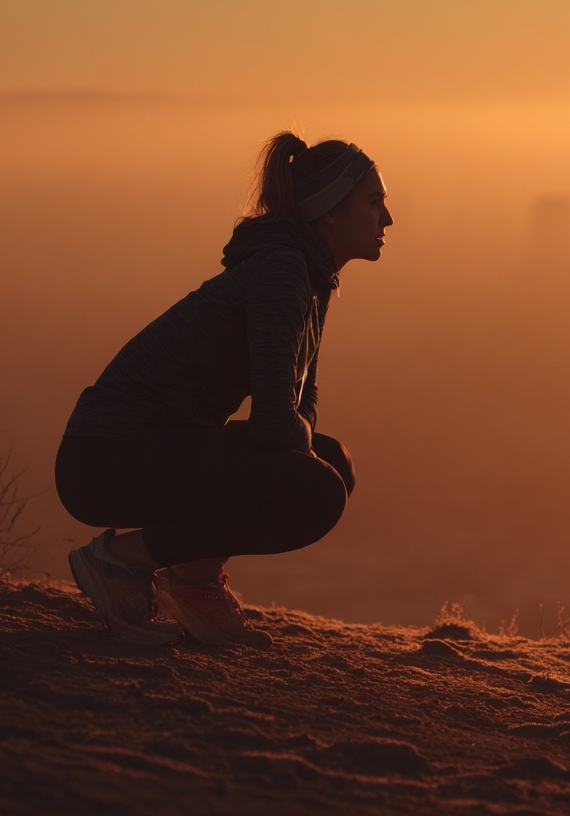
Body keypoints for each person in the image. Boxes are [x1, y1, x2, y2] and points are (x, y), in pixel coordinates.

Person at [55, 132, 392, 648]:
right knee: (317, 489)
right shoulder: (284, 272)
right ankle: (122, 561)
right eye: (374, 203)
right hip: (106, 458)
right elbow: (281, 421)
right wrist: (291, 440)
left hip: (142, 450)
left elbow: (302, 404)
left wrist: (295, 438)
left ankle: (193, 584)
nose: (386, 220)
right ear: (330, 213)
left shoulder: (307, 275)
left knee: (330, 462)